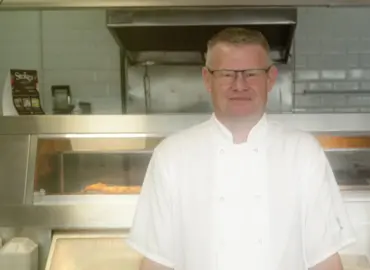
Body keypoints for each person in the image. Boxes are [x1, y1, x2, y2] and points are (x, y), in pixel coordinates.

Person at [127, 27, 356, 270]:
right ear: (207, 79)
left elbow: (325, 260)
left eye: (251, 74)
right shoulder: (172, 155)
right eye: (226, 74)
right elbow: (157, 262)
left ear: (270, 79)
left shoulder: (302, 152)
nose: (239, 85)